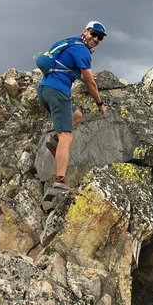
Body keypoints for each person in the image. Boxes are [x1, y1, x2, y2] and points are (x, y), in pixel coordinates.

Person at [37, 21, 108, 190]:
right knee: (66, 136)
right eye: (94, 33)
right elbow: (90, 83)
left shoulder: (70, 42)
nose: (96, 38)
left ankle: (54, 141)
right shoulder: (83, 51)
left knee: (76, 115)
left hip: (44, 90)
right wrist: (100, 104)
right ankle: (60, 181)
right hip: (58, 91)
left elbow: (69, 69)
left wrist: (85, 78)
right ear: (86, 31)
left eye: (100, 37)